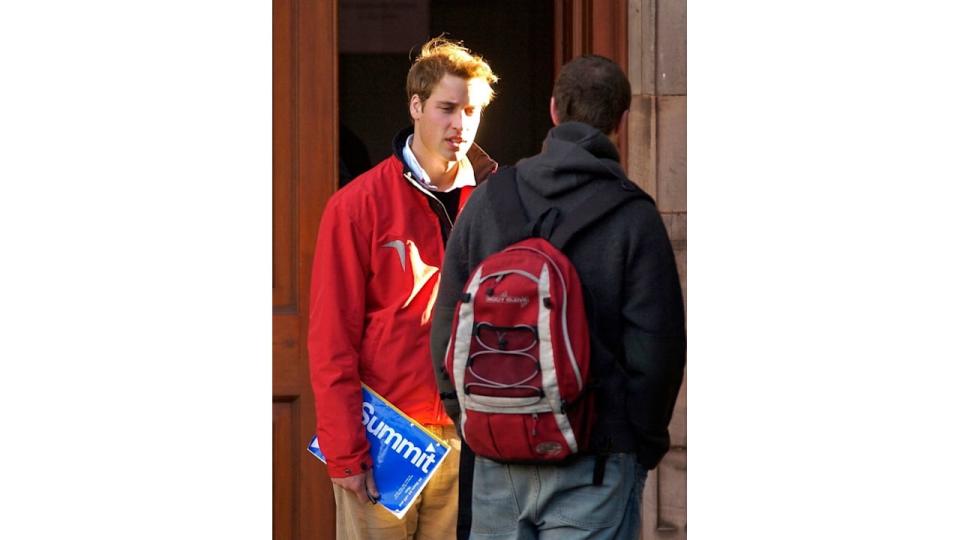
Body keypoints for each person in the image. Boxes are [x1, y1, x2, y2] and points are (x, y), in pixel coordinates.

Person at [430, 55, 686, 539]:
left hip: (496, 457)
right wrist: (637, 444)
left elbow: (446, 323)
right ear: (622, 122)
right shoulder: (634, 217)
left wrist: (472, 418)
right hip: (596, 461)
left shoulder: (488, 199)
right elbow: (660, 350)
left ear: (553, 110)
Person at [308, 37, 499, 540]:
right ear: (415, 106)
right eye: (447, 108)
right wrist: (344, 452)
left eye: (473, 110)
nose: (461, 124)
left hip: (470, 438)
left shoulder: (498, 203)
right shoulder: (357, 205)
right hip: (384, 441)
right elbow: (332, 339)